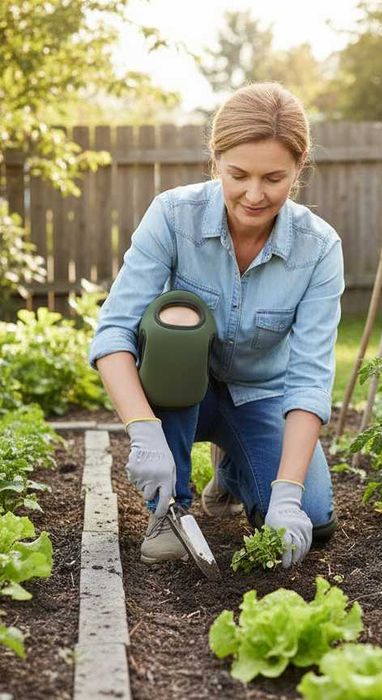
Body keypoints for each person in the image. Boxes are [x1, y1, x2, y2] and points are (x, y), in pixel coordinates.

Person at [88, 82, 343, 569]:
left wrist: (287, 495)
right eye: (238, 174)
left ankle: (231, 471)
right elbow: (115, 332)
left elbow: (310, 377)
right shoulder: (173, 216)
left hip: (260, 394)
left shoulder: (319, 247)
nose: (254, 194)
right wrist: (143, 431)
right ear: (215, 160)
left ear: (299, 168)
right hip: (182, 392)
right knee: (174, 328)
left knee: (314, 519)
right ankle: (170, 507)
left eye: (274, 178)